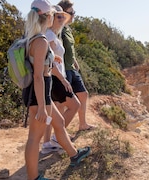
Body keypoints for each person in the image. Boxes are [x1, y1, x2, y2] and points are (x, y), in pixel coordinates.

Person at [23, 0, 90, 179]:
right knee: (34, 138)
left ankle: (74, 155)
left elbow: (41, 66)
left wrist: (54, 61)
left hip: (40, 92)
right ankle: (34, 177)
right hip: (39, 93)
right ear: (49, 16)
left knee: (59, 123)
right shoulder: (41, 41)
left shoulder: (33, 37)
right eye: (54, 14)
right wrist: (43, 108)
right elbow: (38, 76)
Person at [41, 4, 81, 154]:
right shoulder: (50, 35)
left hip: (54, 78)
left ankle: (46, 144)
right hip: (56, 78)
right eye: (58, 16)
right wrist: (63, 80)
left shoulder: (52, 34)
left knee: (54, 112)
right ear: (51, 17)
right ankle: (58, 139)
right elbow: (49, 61)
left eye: (62, 17)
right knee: (75, 105)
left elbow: (53, 57)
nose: (61, 19)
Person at [58, 0, 95, 131]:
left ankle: (83, 124)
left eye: (74, 12)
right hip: (63, 70)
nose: (74, 15)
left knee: (83, 94)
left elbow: (69, 48)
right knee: (64, 103)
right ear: (63, 13)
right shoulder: (58, 30)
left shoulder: (67, 29)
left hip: (71, 68)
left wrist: (74, 60)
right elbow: (56, 50)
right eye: (72, 12)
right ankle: (60, 133)